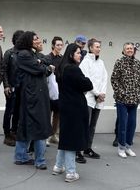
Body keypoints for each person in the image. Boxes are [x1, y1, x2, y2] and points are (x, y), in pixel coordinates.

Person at [52, 43, 93, 183]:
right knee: (72, 140)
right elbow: (88, 85)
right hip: (75, 107)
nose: (80, 55)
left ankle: (58, 166)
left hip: (65, 106)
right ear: (70, 54)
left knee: (65, 136)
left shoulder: (61, 68)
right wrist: (86, 79)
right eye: (78, 53)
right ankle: (70, 172)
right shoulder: (73, 69)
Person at [14, 31, 53, 169]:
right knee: (39, 126)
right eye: (35, 39)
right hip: (32, 96)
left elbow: (46, 64)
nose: (39, 41)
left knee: (26, 125)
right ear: (28, 41)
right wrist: (42, 65)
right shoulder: (24, 54)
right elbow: (39, 69)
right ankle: (40, 160)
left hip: (35, 95)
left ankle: (21, 156)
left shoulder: (33, 54)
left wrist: (42, 63)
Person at [111, 42, 140, 159]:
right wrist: (121, 93)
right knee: (123, 124)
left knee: (132, 124)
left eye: (131, 48)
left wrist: (139, 94)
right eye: (127, 48)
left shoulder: (137, 63)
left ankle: (128, 146)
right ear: (124, 51)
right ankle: (121, 147)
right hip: (122, 100)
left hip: (134, 99)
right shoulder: (119, 62)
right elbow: (114, 79)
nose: (130, 50)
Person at [79, 38, 107, 159]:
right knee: (85, 124)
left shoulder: (101, 62)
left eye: (99, 47)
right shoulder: (85, 62)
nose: (99, 49)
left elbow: (104, 78)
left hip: (99, 99)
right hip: (89, 98)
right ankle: (78, 150)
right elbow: (86, 79)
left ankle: (87, 148)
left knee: (93, 126)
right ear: (90, 48)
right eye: (97, 47)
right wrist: (96, 93)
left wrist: (102, 93)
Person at [1, 29, 23, 146]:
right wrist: (6, 85)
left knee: (18, 111)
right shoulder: (9, 53)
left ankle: (14, 131)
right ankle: (7, 133)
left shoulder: (25, 54)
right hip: (11, 87)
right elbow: (3, 70)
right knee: (9, 111)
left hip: (21, 87)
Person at [46, 36, 63, 145]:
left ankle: (53, 135)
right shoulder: (48, 57)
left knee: (57, 114)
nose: (60, 47)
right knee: (48, 113)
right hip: (49, 89)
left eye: (61, 45)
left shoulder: (62, 58)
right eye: (58, 45)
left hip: (59, 89)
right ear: (53, 45)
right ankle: (46, 136)